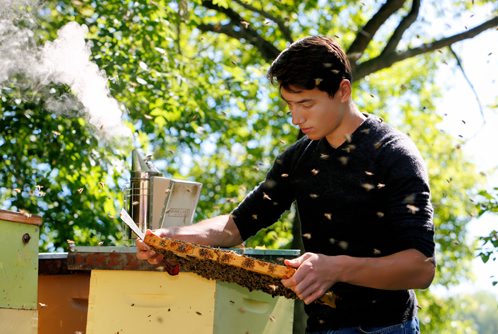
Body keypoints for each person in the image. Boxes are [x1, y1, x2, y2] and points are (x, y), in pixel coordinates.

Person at [136, 35, 435, 333]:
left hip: (385, 327)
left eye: (306, 103)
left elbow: (421, 267)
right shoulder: (298, 159)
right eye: (290, 105)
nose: (296, 118)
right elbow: (236, 226)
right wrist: (170, 237)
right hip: (319, 326)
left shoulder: (394, 154)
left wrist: (335, 267)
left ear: (343, 90)